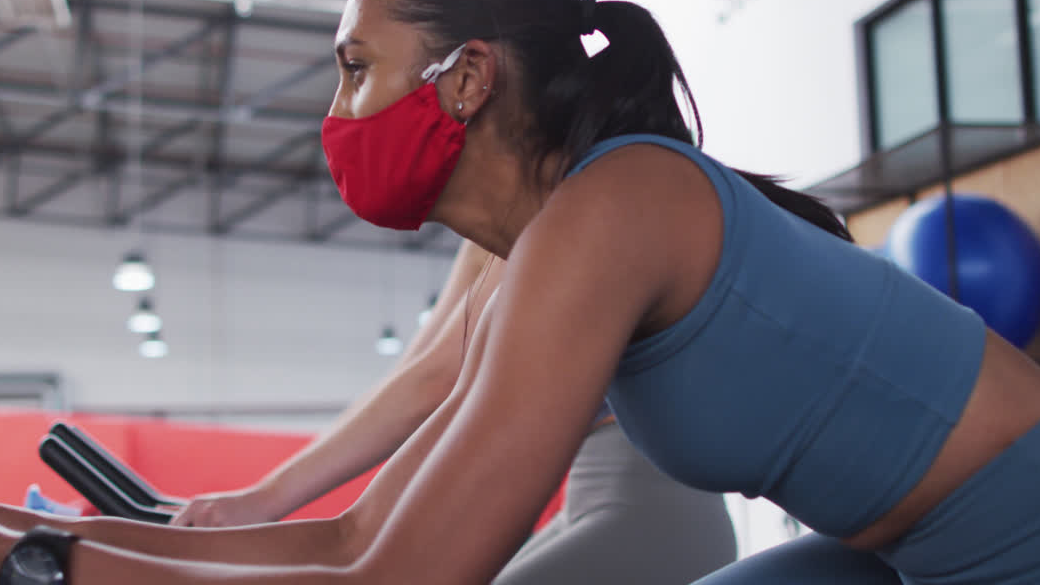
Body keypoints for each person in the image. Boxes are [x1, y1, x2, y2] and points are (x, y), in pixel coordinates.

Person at [0, 0, 1040, 585]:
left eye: (358, 70)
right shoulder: (553, 240)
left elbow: (396, 573)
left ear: (466, 80)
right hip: (892, 553)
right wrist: (37, 542)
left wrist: (34, 564)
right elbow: (356, 535)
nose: (337, 112)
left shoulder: (611, 211)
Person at [166, 239, 737, 585]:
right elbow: (417, 373)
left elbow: (442, 376)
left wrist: (266, 500)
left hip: (651, 512)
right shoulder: (498, 216)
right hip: (595, 501)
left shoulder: (561, 190)